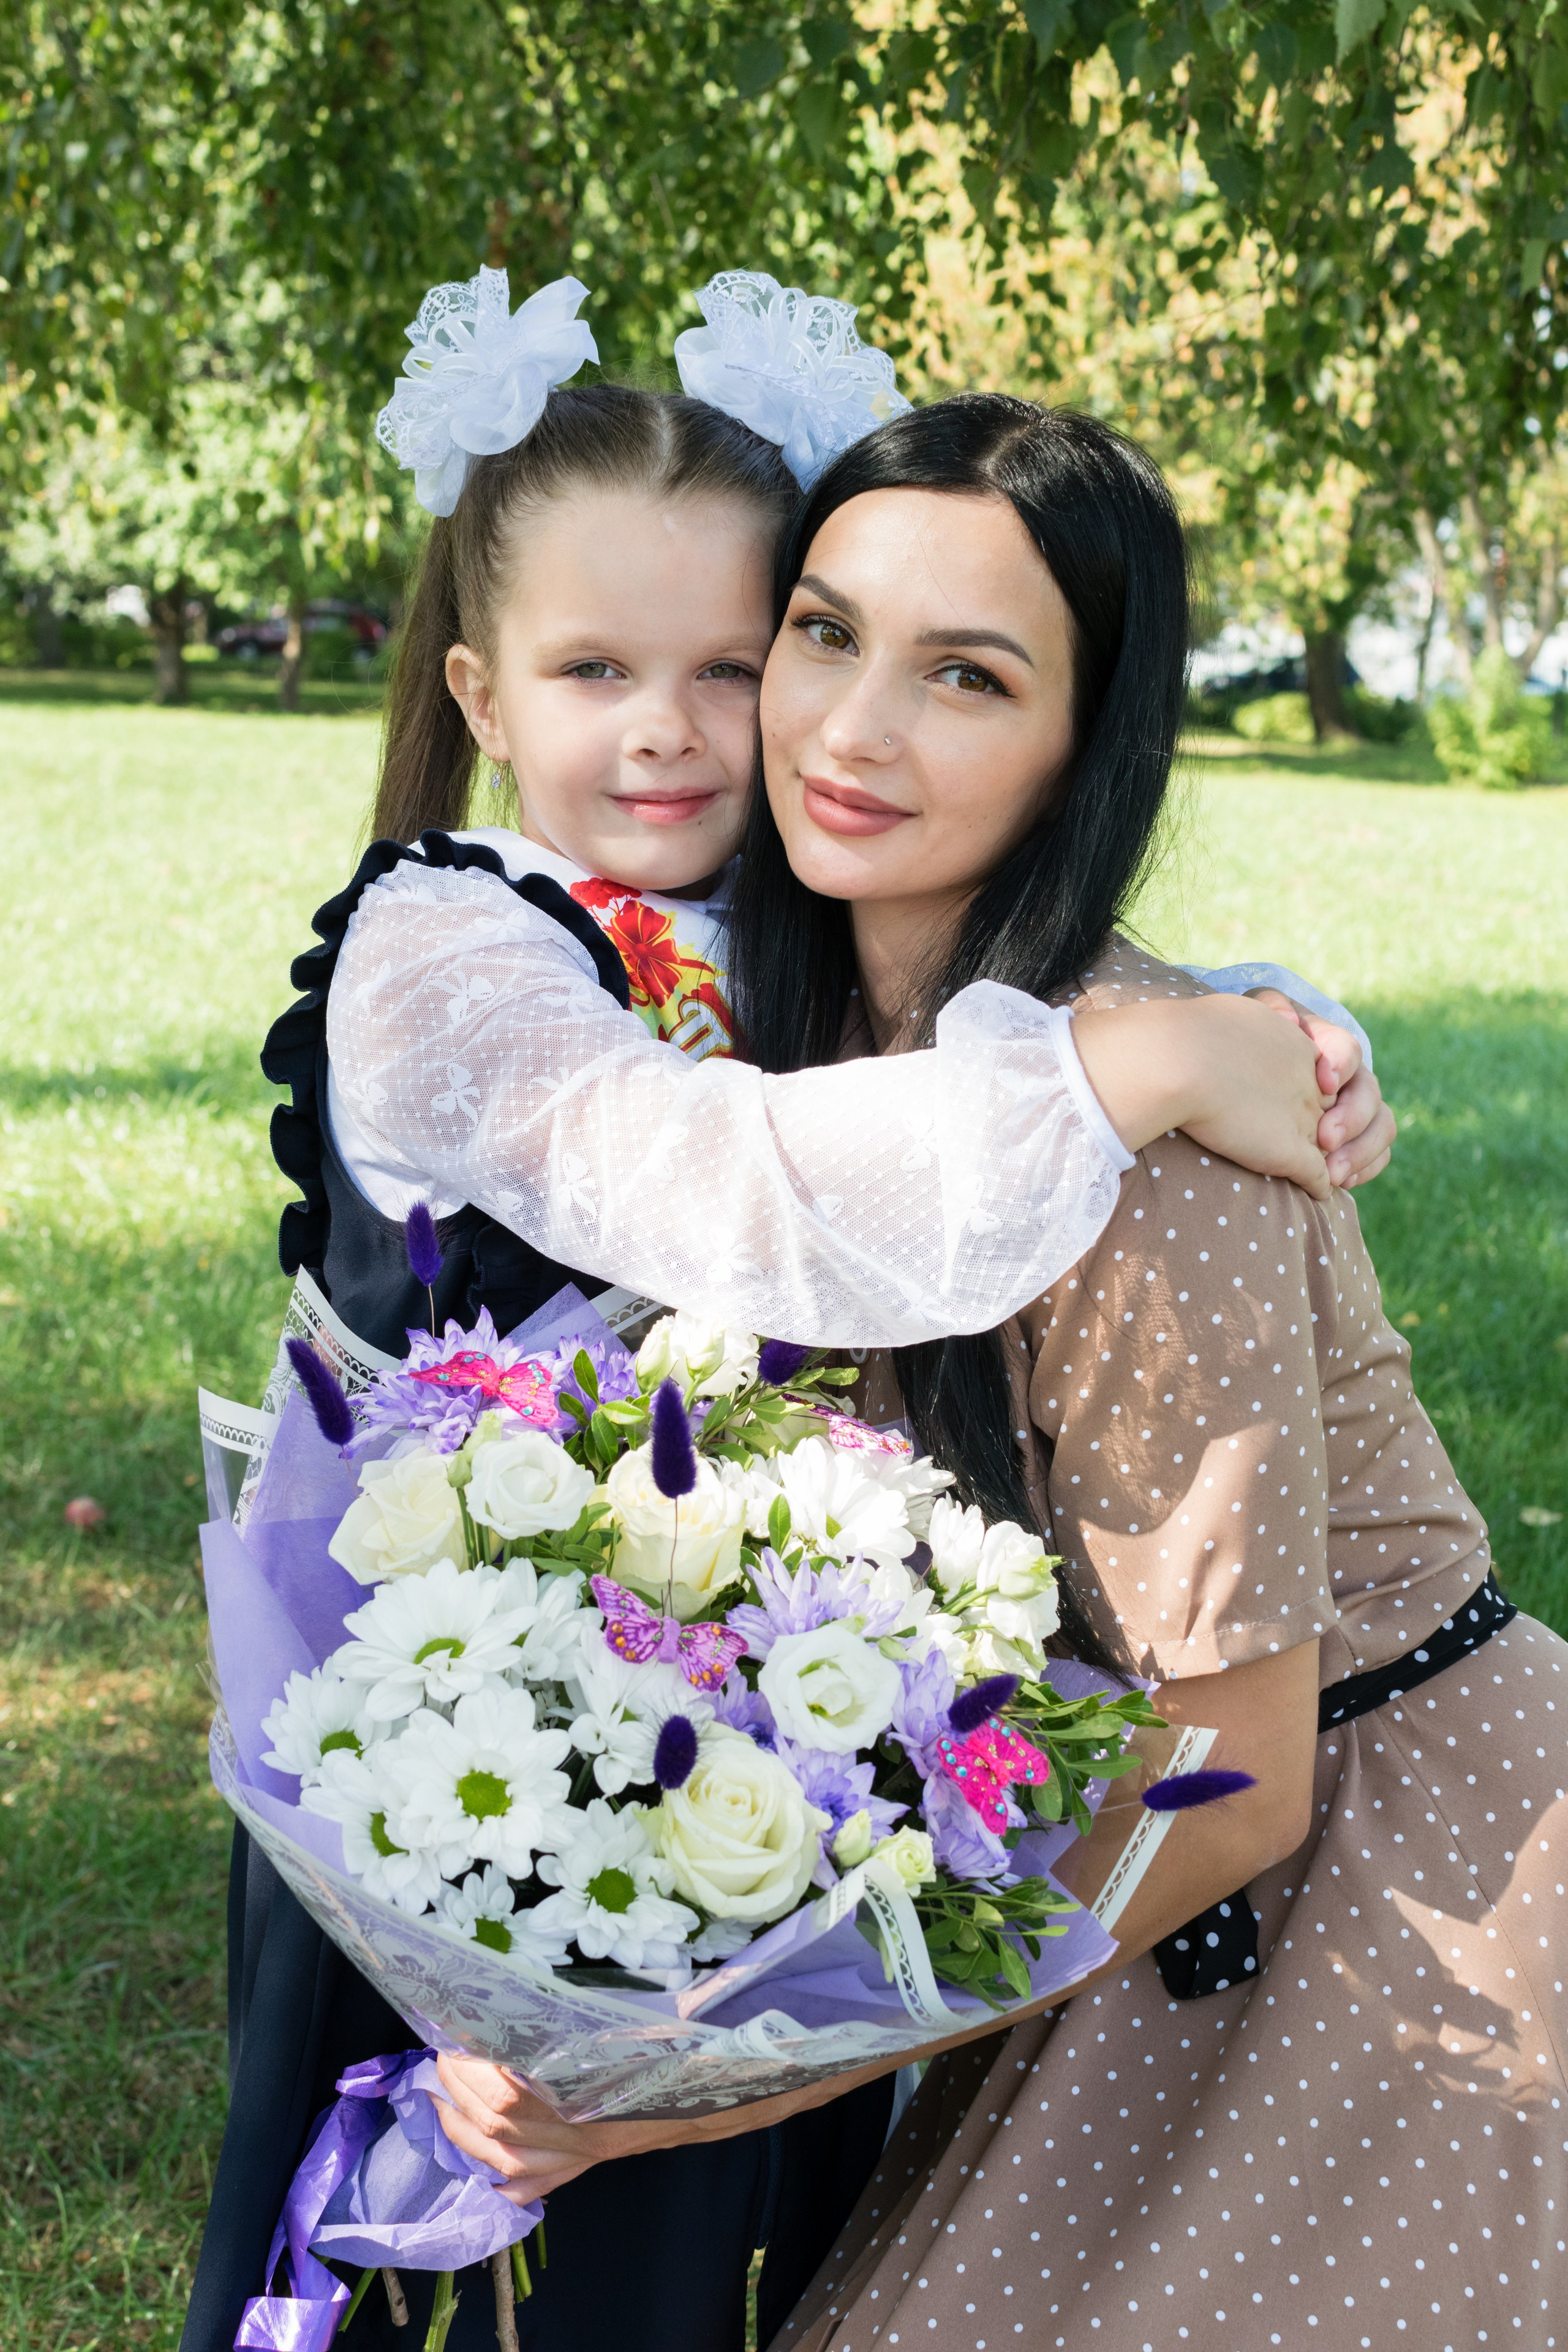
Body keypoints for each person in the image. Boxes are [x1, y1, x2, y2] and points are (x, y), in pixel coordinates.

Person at [183, 268, 1389, 2352]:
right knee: (441, 2231)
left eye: (730, 664)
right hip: (460, 1721)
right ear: (479, 695)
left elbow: (1002, 1035)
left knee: (733, 2243)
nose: (668, 725)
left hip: (757, 1742)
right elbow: (728, 1184)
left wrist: (1277, 1024)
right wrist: (1149, 1071)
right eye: (592, 668)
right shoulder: (446, 952)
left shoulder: (799, 926)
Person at [425, 397, 1566, 2352]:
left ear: (1078, 745)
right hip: (1104, 1857)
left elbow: (1236, 1778)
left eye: (967, 675)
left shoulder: (1155, 1157)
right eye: (825, 631)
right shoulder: (770, 1037)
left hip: (1384, 1894)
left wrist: (710, 2077)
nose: (853, 730)